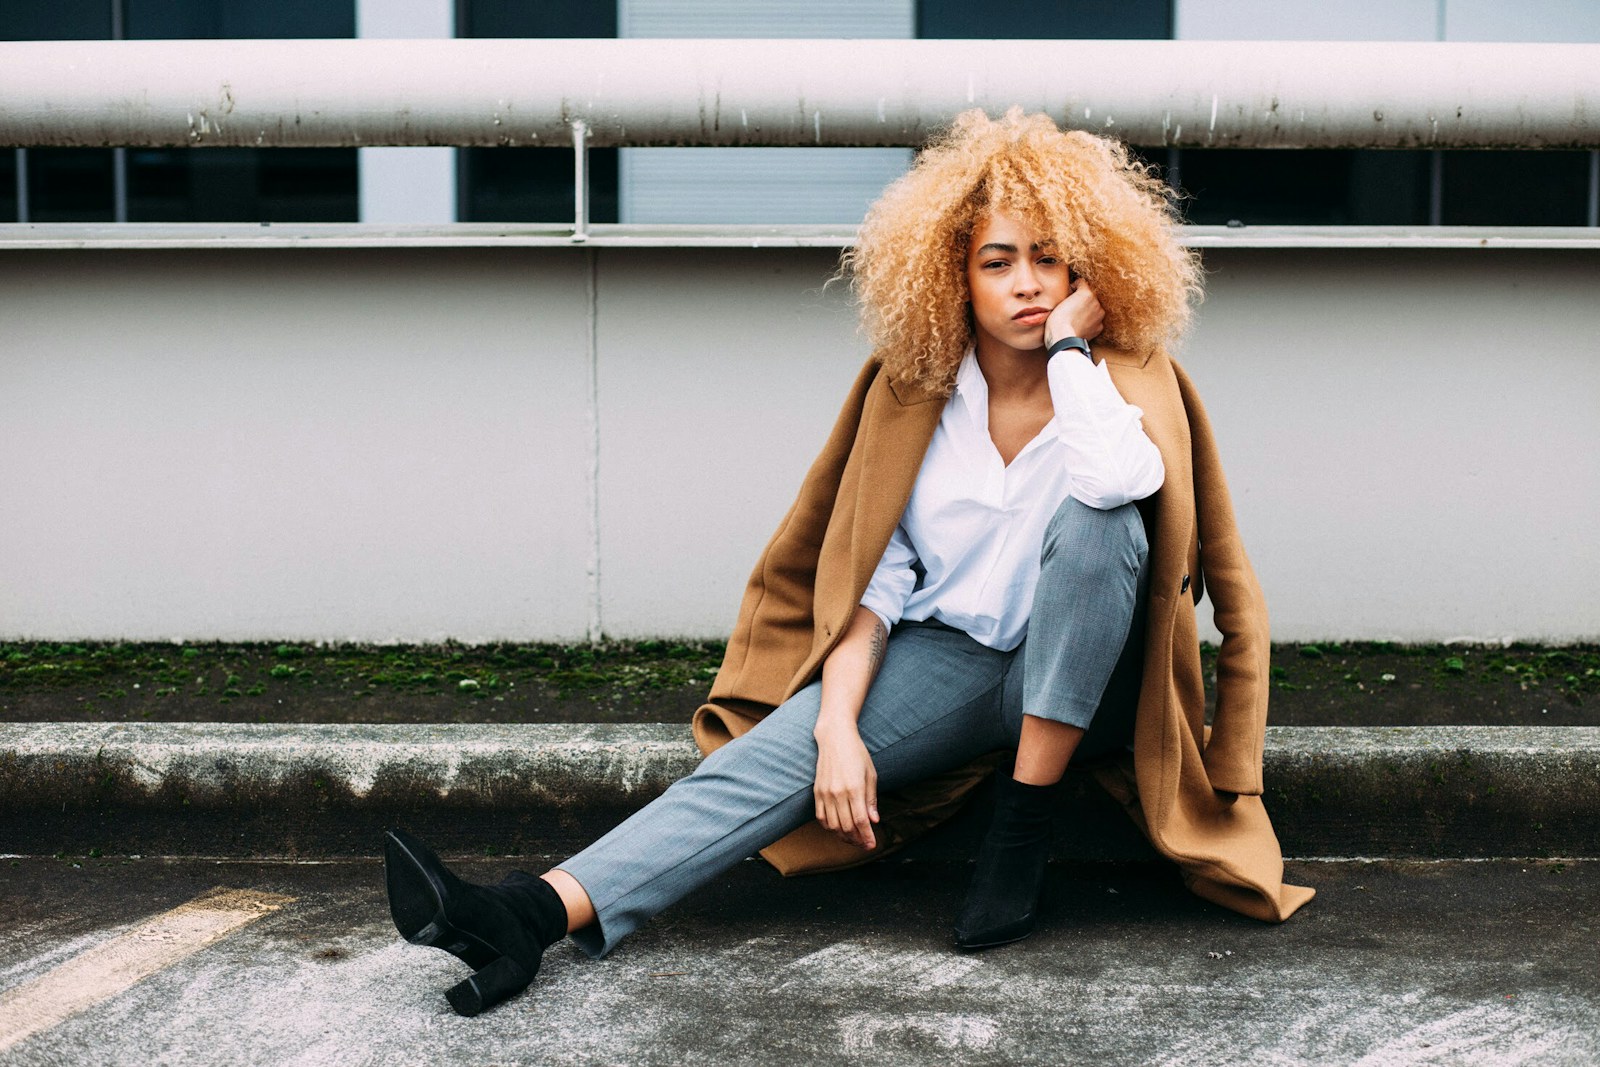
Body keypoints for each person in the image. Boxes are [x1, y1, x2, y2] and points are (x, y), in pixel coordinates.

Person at [383, 106, 1313, 1018]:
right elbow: (880, 573)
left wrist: (1071, 349)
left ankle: (1021, 827)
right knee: (765, 759)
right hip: (952, 656)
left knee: (1103, 521)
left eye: (1048, 259)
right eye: (998, 261)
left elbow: (1124, 488)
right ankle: (522, 914)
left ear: (1086, 272)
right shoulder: (912, 395)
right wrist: (835, 727)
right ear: (954, 275)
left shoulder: (1123, 380)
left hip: (1098, 680)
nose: (1027, 283)